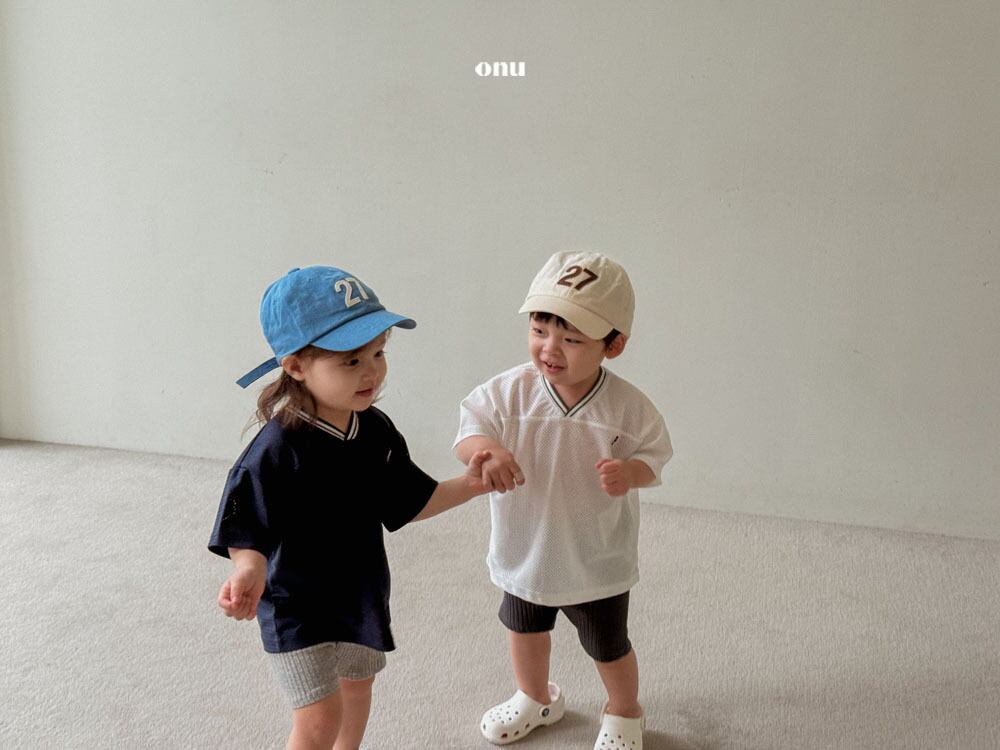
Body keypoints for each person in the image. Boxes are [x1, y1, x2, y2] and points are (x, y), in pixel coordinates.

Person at [209, 265, 492, 750]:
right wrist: (248, 569)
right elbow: (247, 524)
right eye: (351, 360)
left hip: (360, 595)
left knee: (358, 688)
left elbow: (409, 500)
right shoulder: (276, 449)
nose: (372, 371)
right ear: (296, 366)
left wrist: (471, 485)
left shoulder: (375, 430)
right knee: (320, 718)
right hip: (296, 605)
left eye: (378, 353)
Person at [454, 251, 673, 750]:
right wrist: (487, 451)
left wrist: (630, 474)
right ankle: (535, 697)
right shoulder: (509, 392)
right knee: (523, 629)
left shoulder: (628, 407)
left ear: (613, 345)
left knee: (608, 644)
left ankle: (624, 710)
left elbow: (655, 454)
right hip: (526, 547)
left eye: (571, 339)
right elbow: (471, 428)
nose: (550, 349)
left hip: (595, 556)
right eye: (539, 330)